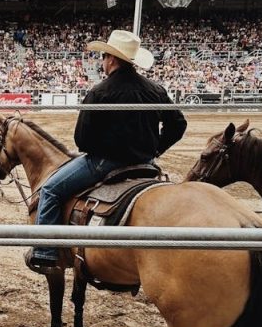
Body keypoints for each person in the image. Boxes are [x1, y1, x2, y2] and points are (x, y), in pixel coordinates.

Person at [26, 29, 187, 272]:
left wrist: (100, 149)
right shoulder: (155, 90)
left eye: (103, 56)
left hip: (106, 163)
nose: (102, 61)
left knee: (50, 190)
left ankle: (45, 252)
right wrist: (155, 149)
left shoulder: (100, 92)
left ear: (111, 59)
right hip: (145, 163)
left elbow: (82, 140)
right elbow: (178, 124)